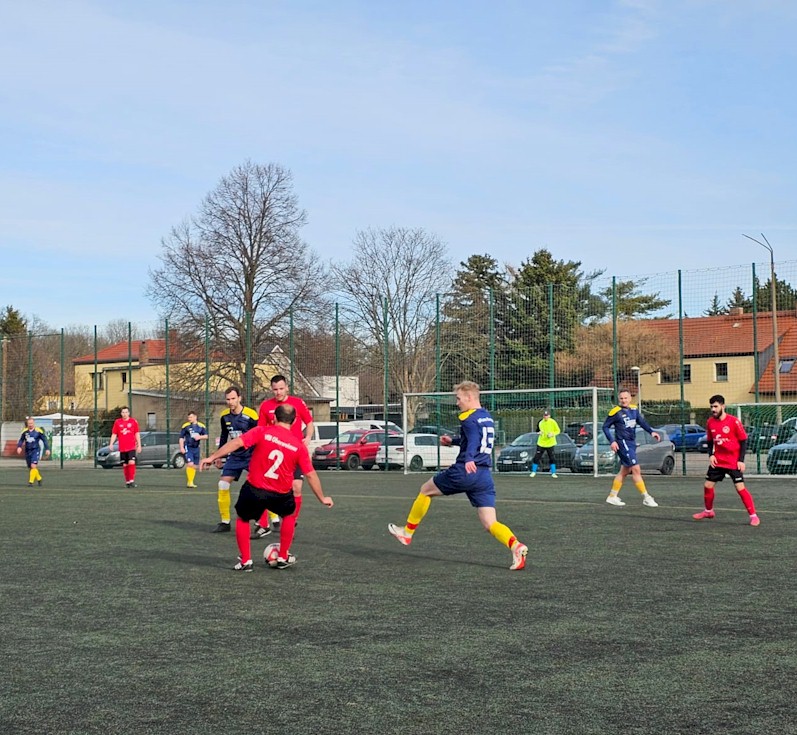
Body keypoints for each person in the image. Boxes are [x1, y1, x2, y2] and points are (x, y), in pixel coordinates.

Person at [388, 380, 529, 571]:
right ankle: (516, 546)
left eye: (459, 398)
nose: (457, 402)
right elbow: (474, 438)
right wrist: (453, 441)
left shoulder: (468, 417)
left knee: (425, 490)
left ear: (469, 397)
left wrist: (469, 458)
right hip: (483, 475)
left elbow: (471, 442)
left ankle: (407, 532)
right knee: (490, 523)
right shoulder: (486, 416)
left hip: (465, 470)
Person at [199, 403, 333, 570]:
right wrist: (322, 498)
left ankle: (246, 561)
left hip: (255, 490)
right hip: (280, 494)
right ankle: (283, 556)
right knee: (289, 516)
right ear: (293, 421)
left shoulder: (261, 431)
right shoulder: (298, 446)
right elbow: (311, 474)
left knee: (243, 519)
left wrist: (212, 457)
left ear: (274, 418)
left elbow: (236, 443)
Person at [251, 374, 316, 539]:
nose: (278, 392)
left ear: (287, 387)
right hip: (275, 455)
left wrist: (307, 438)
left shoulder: (297, 403)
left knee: (296, 487)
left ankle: (291, 521)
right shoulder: (266, 406)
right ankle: (263, 524)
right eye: (275, 389)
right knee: (265, 488)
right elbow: (261, 430)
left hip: (294, 453)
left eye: (281, 388)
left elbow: (309, 422)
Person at [694, 394, 760, 526]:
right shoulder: (710, 422)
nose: (713, 409)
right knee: (707, 485)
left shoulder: (734, 421)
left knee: (740, 488)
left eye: (716, 406)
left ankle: (753, 516)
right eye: (711, 407)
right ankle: (708, 511)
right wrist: (711, 455)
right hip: (718, 460)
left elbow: (743, 441)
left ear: (723, 406)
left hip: (733, 461)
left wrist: (741, 460)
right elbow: (710, 441)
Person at [212, 386, 259, 533]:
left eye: (233, 398)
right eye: (228, 399)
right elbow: (224, 436)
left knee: (262, 487)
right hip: (235, 456)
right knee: (223, 485)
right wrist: (220, 455)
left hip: (251, 455)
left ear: (239, 398)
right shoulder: (224, 416)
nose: (230, 402)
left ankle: (272, 520)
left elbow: (259, 436)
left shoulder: (251, 415)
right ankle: (225, 522)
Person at [602, 389, 660, 507]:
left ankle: (612, 496)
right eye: (621, 398)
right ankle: (646, 497)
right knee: (636, 469)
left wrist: (651, 432)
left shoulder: (634, 409)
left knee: (624, 471)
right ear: (619, 399)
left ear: (630, 398)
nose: (623, 400)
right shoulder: (615, 412)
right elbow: (605, 427)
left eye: (625, 398)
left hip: (631, 443)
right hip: (622, 443)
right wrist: (612, 441)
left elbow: (642, 422)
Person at [109, 406, 142, 488]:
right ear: (121, 413)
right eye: (123, 412)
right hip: (122, 447)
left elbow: (137, 433)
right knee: (125, 465)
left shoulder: (133, 422)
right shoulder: (117, 422)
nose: (124, 414)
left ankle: (132, 481)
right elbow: (114, 434)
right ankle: (127, 481)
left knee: (132, 462)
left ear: (129, 413)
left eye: (126, 412)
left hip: (131, 447)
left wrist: (139, 445)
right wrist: (111, 443)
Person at [16, 417, 50, 486]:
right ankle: (39, 478)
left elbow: (44, 440)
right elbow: (21, 440)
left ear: (34, 423)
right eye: (29, 423)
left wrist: (47, 449)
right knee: (31, 467)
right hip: (27, 451)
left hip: (35, 450)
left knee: (33, 466)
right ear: (27, 424)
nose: (30, 425)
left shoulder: (38, 431)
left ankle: (30, 482)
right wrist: (19, 447)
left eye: (31, 423)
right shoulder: (25, 431)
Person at [179, 410, 208, 488]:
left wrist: (200, 437)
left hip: (196, 448)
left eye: (191, 417)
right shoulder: (185, 426)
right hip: (188, 447)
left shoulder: (201, 426)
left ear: (195, 417)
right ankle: (190, 482)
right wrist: (181, 447)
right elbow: (181, 438)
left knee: (195, 465)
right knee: (190, 464)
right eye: (188, 417)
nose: (189, 418)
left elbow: (206, 436)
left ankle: (190, 481)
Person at [529, 409, 561, 478]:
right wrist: (539, 432)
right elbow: (537, 430)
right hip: (541, 443)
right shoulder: (540, 422)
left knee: (552, 458)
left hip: (550, 443)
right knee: (537, 457)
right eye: (544, 415)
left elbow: (558, 430)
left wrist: (552, 434)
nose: (545, 417)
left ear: (549, 416)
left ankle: (553, 473)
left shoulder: (553, 422)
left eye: (546, 415)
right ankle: (533, 472)